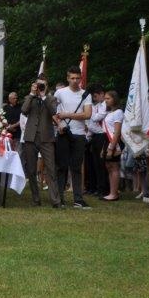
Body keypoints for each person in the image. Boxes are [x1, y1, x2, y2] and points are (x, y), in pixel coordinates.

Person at [54, 66, 93, 209]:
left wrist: (67, 115)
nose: (75, 81)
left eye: (77, 78)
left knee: (76, 167)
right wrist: (59, 124)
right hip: (63, 133)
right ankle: (59, 198)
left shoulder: (86, 94)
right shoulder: (60, 93)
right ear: (67, 78)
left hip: (79, 134)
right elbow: (52, 111)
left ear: (81, 78)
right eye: (72, 78)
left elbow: (87, 114)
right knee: (61, 167)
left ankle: (78, 199)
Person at [20, 78, 62, 207]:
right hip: (30, 137)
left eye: (43, 85)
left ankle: (55, 200)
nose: (40, 87)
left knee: (51, 168)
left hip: (46, 138)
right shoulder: (29, 98)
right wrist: (32, 94)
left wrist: (44, 96)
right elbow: (24, 110)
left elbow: (53, 111)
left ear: (47, 86)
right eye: (39, 84)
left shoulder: (51, 98)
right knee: (31, 170)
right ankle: (36, 199)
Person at [99, 90, 124, 201]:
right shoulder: (109, 113)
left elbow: (117, 132)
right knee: (109, 166)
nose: (106, 100)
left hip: (114, 141)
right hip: (106, 140)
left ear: (114, 99)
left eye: (108, 98)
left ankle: (114, 193)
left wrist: (111, 147)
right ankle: (111, 192)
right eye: (105, 98)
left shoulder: (118, 112)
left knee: (114, 166)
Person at [85, 84, 108, 198]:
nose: (94, 99)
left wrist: (89, 113)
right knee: (93, 164)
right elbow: (89, 123)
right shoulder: (96, 106)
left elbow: (95, 118)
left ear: (101, 94)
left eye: (95, 96)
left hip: (102, 135)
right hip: (93, 136)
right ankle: (93, 187)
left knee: (101, 163)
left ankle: (103, 189)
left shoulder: (105, 105)